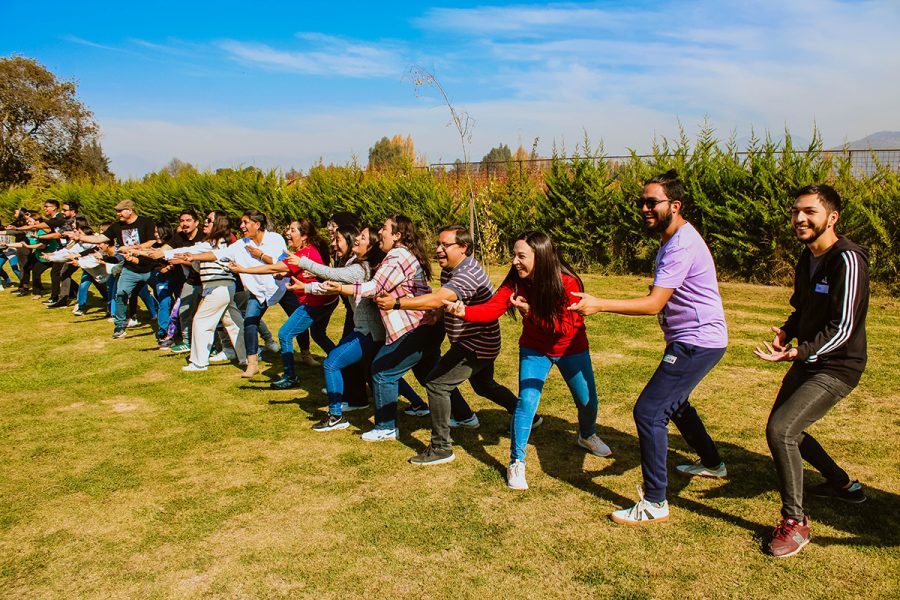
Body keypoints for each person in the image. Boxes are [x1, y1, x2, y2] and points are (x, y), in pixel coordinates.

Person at [569, 169, 728, 524]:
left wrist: (599, 303)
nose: (644, 208)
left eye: (651, 202)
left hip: (697, 342)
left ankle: (655, 502)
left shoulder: (681, 245)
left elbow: (654, 303)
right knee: (677, 404)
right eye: (641, 202)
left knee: (649, 412)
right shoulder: (672, 239)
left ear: (675, 205)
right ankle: (713, 463)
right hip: (694, 339)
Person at [753, 184, 869, 558]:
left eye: (809, 212)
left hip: (838, 365)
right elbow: (803, 308)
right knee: (787, 428)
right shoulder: (807, 258)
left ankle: (796, 522)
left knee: (781, 430)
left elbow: (843, 328)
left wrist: (799, 352)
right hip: (808, 358)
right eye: (795, 212)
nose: (799, 219)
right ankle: (841, 484)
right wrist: (788, 330)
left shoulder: (847, 261)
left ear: (831, 218)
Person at [445, 230, 610, 488]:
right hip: (534, 348)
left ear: (540, 256)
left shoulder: (568, 282)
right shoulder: (518, 279)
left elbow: (565, 328)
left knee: (587, 401)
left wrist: (529, 313)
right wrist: (465, 311)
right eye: (514, 254)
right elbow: (495, 306)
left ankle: (587, 435)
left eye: (521, 256)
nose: (514, 261)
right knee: (526, 401)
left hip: (570, 348)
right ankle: (516, 462)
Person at [376, 225, 521, 465]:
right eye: (438, 244)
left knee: (436, 384)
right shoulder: (450, 269)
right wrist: (440, 315)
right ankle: (526, 416)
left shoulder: (466, 273)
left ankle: (442, 448)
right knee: (484, 386)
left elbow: (435, 298)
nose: (438, 249)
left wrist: (397, 303)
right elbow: (445, 300)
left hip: (476, 344)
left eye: (445, 245)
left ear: (463, 247)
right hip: (475, 341)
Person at [323, 215, 465, 442]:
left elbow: (376, 287)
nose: (380, 232)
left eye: (384, 228)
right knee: (429, 373)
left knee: (382, 371)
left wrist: (341, 287)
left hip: (415, 326)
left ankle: (386, 427)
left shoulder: (398, 256)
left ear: (397, 235)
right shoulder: (401, 255)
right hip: (425, 325)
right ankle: (465, 416)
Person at [226, 218, 336, 388]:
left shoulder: (302, 254)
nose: (288, 234)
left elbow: (272, 268)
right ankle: (344, 365)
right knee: (318, 334)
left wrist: (242, 269)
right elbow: (289, 270)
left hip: (316, 302)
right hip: (328, 301)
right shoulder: (307, 250)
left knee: (285, 334)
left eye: (292, 230)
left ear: (304, 236)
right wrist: (284, 274)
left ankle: (290, 377)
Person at [165, 211, 247, 371]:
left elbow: (189, 251)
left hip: (218, 287)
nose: (205, 222)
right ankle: (248, 355)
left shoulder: (214, 243)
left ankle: (199, 363)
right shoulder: (213, 243)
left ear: (218, 224)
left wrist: (163, 253)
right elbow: (196, 261)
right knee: (235, 324)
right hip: (220, 287)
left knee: (201, 323)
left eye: (209, 220)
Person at [69, 199, 159, 339]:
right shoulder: (117, 227)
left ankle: (169, 324)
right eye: (117, 211)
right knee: (121, 294)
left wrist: (134, 248)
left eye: (120, 211)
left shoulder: (146, 222)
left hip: (150, 266)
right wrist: (81, 237)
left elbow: (152, 241)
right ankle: (120, 327)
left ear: (129, 210)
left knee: (162, 294)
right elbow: (101, 239)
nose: (118, 214)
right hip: (130, 268)